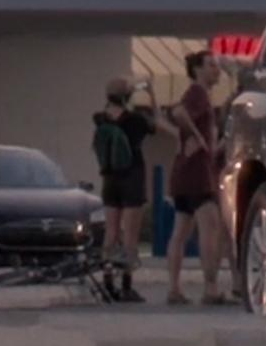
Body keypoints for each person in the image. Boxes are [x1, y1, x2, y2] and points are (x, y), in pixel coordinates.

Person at [160, 52, 232, 306]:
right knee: (210, 228)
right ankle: (210, 289)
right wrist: (199, 140)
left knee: (180, 230)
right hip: (197, 174)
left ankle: (174, 289)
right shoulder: (198, 93)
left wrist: (209, 144)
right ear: (198, 69)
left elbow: (176, 117)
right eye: (211, 65)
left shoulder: (198, 96)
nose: (217, 70)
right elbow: (179, 113)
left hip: (185, 172)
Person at [90, 77, 157, 286]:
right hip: (132, 178)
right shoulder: (135, 120)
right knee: (130, 235)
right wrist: (152, 95)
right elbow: (155, 124)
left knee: (111, 232)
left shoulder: (100, 118)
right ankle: (127, 283)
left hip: (109, 179)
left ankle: (108, 279)